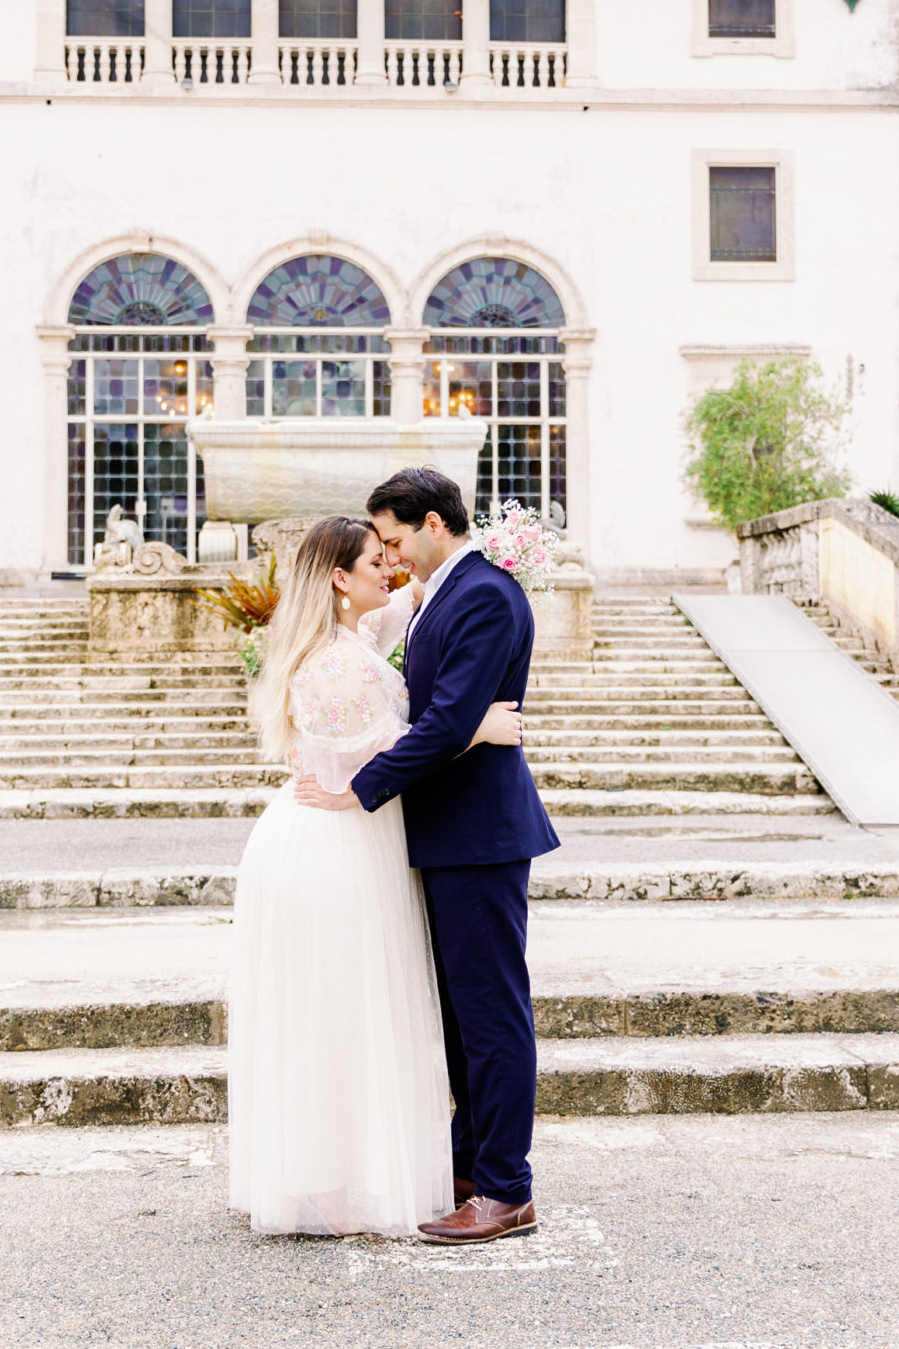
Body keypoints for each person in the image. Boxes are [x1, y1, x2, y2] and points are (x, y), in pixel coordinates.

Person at [226, 513, 525, 1238]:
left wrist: (475, 557)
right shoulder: (333, 663)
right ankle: (326, 1183)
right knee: (336, 1017)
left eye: (391, 551)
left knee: (345, 1011)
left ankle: (352, 1170)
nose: (387, 567)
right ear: (337, 577)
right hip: (331, 845)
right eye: (372, 559)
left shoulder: (350, 638)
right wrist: (478, 727)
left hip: (342, 836)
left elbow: (405, 602)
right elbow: (404, 747)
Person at [292, 468, 559, 1246]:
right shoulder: (444, 591)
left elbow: (447, 721)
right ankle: (471, 1164)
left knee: (490, 1013)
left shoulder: (481, 593)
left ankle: (508, 1187)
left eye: (400, 538)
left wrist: (357, 790)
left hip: (479, 835)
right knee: (460, 1017)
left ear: (436, 522)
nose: (395, 555)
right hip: (449, 834)